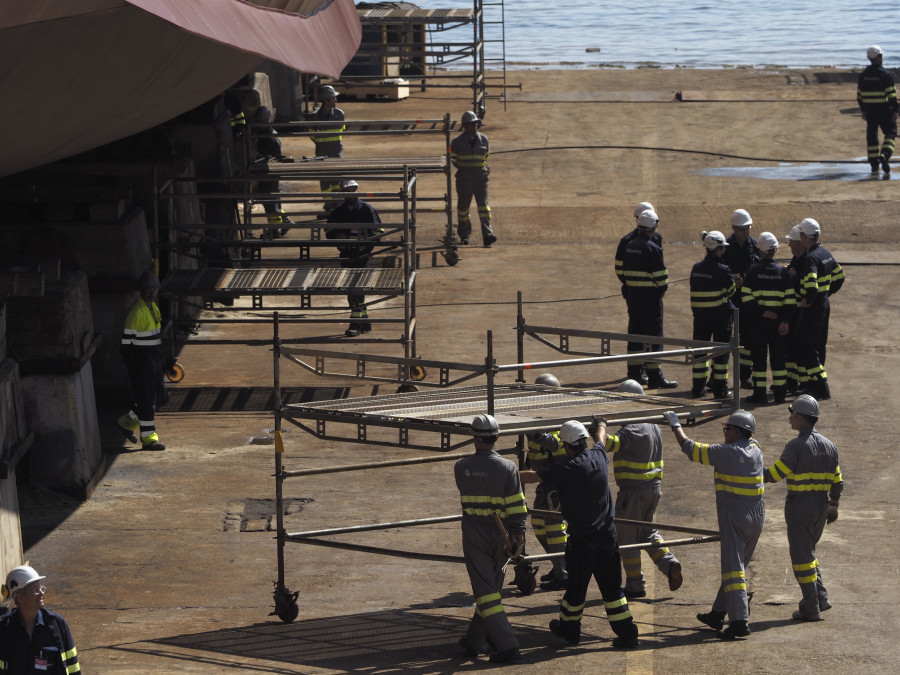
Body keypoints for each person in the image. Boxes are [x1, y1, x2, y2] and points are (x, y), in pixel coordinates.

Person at [519, 419, 639, 649]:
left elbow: (533, 476)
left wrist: (504, 473)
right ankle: (628, 634)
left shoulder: (568, 468)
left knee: (576, 588)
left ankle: (570, 630)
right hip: (608, 536)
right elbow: (601, 439)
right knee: (613, 589)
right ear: (584, 440)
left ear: (566, 445)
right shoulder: (599, 456)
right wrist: (601, 424)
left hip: (583, 539)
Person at [663, 409, 764, 640]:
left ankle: (739, 622)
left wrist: (675, 424)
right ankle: (718, 613)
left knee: (733, 571)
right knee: (735, 565)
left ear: (736, 431)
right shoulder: (756, 449)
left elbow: (690, 448)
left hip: (735, 517)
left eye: (726, 428)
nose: (724, 432)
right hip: (756, 517)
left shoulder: (726, 452)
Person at [454, 414, 527, 664]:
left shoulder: (461, 467)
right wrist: (519, 537)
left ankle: (508, 646)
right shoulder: (508, 468)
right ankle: (474, 640)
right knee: (492, 588)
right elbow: (517, 506)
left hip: (475, 534)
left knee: (486, 593)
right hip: (504, 536)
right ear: (497, 437)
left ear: (474, 438)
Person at [763, 395, 843, 622]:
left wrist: (749, 468)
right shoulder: (830, 446)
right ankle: (821, 597)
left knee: (801, 557)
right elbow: (838, 481)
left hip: (801, 506)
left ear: (800, 419)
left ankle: (810, 607)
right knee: (808, 552)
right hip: (822, 505)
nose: (789, 419)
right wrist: (834, 505)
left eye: (792, 415)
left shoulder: (796, 446)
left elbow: (774, 475)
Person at [607, 379, 682, 599]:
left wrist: (596, 427)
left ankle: (635, 584)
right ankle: (669, 563)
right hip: (653, 490)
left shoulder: (632, 428)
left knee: (627, 538)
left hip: (633, 493)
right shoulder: (653, 425)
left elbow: (609, 444)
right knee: (647, 532)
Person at [615, 209, 677, 389]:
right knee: (654, 337)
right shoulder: (652, 248)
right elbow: (661, 278)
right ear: (653, 227)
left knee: (635, 334)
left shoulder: (629, 245)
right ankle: (655, 376)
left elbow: (622, 271)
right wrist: (661, 289)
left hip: (633, 298)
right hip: (650, 300)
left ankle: (634, 373)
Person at [526, 374, 569, 591]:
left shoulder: (559, 414)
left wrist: (537, 433)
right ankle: (558, 563)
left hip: (557, 482)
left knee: (554, 528)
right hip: (544, 481)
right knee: (538, 525)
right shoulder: (537, 413)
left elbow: (557, 444)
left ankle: (563, 574)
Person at [794, 218, 845, 400]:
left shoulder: (810, 258)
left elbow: (811, 285)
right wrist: (827, 293)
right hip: (824, 304)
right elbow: (840, 276)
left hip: (814, 308)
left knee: (807, 347)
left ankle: (821, 386)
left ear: (803, 236)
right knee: (818, 346)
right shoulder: (825, 253)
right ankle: (815, 384)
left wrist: (809, 300)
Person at [741, 231, 794, 404]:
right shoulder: (783, 273)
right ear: (776, 250)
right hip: (778, 325)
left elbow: (746, 299)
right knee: (778, 360)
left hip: (758, 324)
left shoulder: (752, 272)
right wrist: (785, 321)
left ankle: (759, 394)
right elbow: (790, 300)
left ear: (759, 251)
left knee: (759, 360)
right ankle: (780, 394)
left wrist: (762, 312)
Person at [117, 270, 167, 451]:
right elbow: (126, 342)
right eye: (148, 289)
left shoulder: (154, 309)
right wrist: (132, 360)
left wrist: (163, 359)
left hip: (154, 361)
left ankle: (126, 422)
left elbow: (156, 337)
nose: (152, 293)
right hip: (141, 362)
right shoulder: (136, 312)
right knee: (146, 401)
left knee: (159, 396)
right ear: (142, 291)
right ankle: (149, 438)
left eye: (154, 289)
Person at [326, 180, 383, 337]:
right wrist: (337, 235)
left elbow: (379, 233)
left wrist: (366, 245)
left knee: (355, 288)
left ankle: (355, 324)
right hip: (346, 254)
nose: (351, 192)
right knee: (352, 288)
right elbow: (328, 232)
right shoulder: (338, 212)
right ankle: (364, 321)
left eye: (353, 189)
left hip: (362, 255)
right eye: (347, 190)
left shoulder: (367, 210)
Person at [0, 565, 80, 674]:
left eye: (41, 588)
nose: (42, 593)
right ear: (20, 597)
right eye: (35, 590)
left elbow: (73, 667)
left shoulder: (58, 625)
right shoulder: (4, 628)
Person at [689, 230, 736, 399]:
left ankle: (697, 389)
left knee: (700, 353)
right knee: (721, 355)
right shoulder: (723, 269)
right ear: (719, 249)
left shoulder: (696, 268)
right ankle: (720, 390)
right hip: (720, 318)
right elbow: (731, 291)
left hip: (700, 318)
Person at [722, 209, 760, 389]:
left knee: (748, 339)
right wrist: (732, 280)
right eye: (741, 229)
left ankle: (746, 376)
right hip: (730, 298)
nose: (745, 232)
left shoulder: (755, 245)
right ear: (733, 228)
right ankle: (718, 377)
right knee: (724, 336)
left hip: (748, 301)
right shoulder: (726, 247)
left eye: (747, 228)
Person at [450, 111, 496, 248]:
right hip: (464, 180)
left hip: (481, 180)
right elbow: (454, 160)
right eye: (470, 124)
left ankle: (488, 235)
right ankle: (464, 235)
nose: (473, 127)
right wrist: (466, 169)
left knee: (484, 208)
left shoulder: (484, 140)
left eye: (475, 124)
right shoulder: (457, 142)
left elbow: (486, 156)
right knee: (463, 210)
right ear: (465, 126)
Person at [253, 106, 294, 238]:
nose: (258, 122)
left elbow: (277, 158)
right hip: (263, 173)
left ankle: (275, 230)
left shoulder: (271, 137)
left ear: (266, 120)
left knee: (270, 203)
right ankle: (285, 221)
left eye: (260, 120)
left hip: (269, 174)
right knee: (270, 202)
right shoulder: (262, 133)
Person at [857, 45, 898, 175]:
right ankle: (885, 155)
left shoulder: (863, 75)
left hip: (870, 111)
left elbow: (859, 96)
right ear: (880, 57)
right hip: (884, 109)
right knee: (891, 132)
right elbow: (891, 95)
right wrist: (896, 110)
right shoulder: (885, 74)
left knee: (872, 137)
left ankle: (874, 165)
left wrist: (863, 110)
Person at [310, 84, 346, 213]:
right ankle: (329, 206)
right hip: (321, 154)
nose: (335, 100)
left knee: (337, 181)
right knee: (325, 183)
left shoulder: (340, 114)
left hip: (336, 152)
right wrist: (320, 142)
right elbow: (310, 132)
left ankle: (338, 206)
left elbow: (341, 131)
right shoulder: (315, 117)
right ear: (326, 100)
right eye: (333, 98)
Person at [783, 225, 806, 393]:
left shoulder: (805, 261)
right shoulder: (797, 258)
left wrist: (794, 277)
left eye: (791, 242)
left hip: (801, 312)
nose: (789, 245)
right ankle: (791, 381)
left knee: (799, 348)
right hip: (794, 311)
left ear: (799, 243)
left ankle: (800, 382)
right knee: (790, 348)